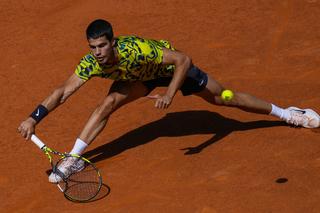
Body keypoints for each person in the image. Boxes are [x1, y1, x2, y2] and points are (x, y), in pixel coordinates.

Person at [18, 19, 320, 183]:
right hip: (140, 79)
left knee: (226, 98)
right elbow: (62, 92)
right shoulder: (92, 63)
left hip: (172, 71)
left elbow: (183, 60)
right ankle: (73, 158)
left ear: (113, 41)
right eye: (92, 47)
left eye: (101, 46)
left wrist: (169, 94)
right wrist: (34, 117)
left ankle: (288, 113)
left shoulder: (138, 49)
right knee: (106, 104)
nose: (96, 52)